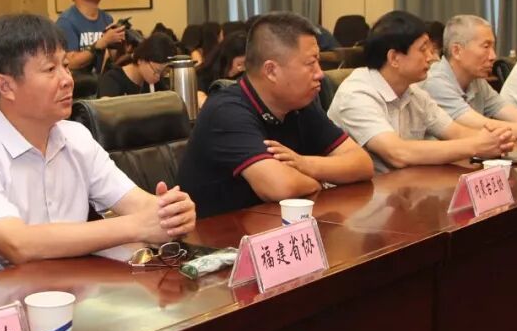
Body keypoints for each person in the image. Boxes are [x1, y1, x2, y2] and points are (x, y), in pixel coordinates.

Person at [0, 14, 196, 283]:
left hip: (69, 287)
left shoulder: (75, 137)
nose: (67, 79)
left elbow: (136, 202)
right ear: (6, 85)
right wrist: (138, 225)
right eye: (50, 69)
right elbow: (18, 244)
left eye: (66, 66)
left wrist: (170, 213)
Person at [177, 13, 373, 218]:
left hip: (273, 225)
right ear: (271, 71)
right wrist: (318, 181)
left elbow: (362, 163)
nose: (320, 73)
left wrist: (304, 163)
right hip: (218, 234)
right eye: (310, 63)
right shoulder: (226, 111)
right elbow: (280, 186)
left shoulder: (300, 104)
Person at [327, 11, 515, 173]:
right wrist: (476, 145)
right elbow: (397, 153)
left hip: (403, 189)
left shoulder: (415, 93)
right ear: (394, 58)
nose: (432, 57)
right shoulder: (357, 94)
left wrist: (495, 139)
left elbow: (455, 132)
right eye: (423, 50)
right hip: (357, 199)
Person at [55, 0, 125, 72]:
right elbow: (71, 63)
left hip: (101, 80)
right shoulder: (66, 22)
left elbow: (113, 59)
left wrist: (121, 44)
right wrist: (101, 43)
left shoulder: (107, 18)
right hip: (77, 81)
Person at [97, 33, 175, 98]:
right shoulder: (112, 80)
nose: (158, 77)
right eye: (156, 71)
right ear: (141, 60)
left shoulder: (153, 82)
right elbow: (106, 108)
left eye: (162, 73)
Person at [196, 31, 247, 106]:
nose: (243, 69)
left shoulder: (247, 76)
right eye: (240, 64)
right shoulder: (205, 74)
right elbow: (200, 98)